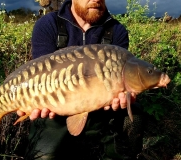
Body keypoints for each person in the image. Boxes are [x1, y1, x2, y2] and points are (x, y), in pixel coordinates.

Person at [17, 0, 144, 159]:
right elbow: (42, 76)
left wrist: (123, 96)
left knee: (134, 113)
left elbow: (122, 78)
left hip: (102, 113)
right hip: (57, 112)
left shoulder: (117, 30)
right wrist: (34, 100)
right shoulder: (48, 24)